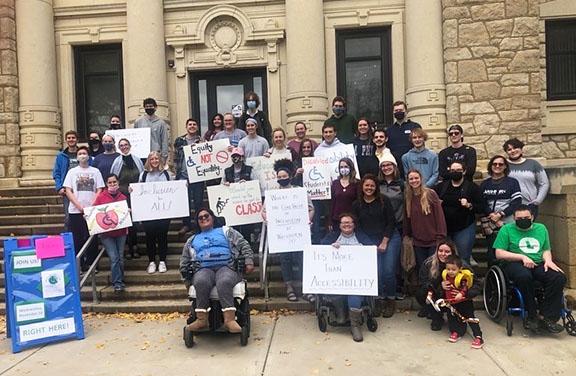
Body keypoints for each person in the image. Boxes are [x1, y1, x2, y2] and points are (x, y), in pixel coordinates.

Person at [180, 208, 254, 333]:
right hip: (203, 268)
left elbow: (244, 245)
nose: (203, 218)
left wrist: (249, 261)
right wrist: (186, 280)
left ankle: (229, 319)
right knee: (201, 281)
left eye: (206, 215)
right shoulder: (192, 240)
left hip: (227, 267)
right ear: (197, 222)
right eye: (200, 217)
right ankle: (201, 319)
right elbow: (184, 260)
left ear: (212, 217)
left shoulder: (226, 231)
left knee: (224, 281)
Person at [494, 205, 567, 333]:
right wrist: (522, 257)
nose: (523, 219)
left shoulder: (541, 228)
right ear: (514, 218)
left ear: (532, 217)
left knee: (558, 277)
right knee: (524, 276)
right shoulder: (506, 229)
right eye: (519, 218)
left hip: (538, 262)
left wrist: (548, 261)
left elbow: (545, 249)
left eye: (526, 217)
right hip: (514, 263)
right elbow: (499, 253)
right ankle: (531, 315)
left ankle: (547, 316)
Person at [263, 159, 315, 302]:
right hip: (282, 234)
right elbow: (264, 211)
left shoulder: (299, 192)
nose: (282, 179)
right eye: (279, 177)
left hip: (298, 232)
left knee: (301, 259)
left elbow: (310, 208)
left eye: (284, 177)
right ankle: (289, 287)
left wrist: (308, 220)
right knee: (285, 259)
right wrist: (268, 219)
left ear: (290, 176)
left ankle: (306, 288)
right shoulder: (272, 194)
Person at [352, 174, 399, 317]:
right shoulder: (356, 204)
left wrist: (384, 241)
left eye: (372, 185)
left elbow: (391, 222)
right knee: (375, 272)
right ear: (362, 187)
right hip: (368, 241)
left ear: (376, 187)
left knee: (388, 271)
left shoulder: (384, 201)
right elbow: (357, 228)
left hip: (389, 238)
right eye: (367, 185)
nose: (369, 188)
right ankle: (377, 300)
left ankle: (390, 299)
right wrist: (370, 245)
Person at [321, 213, 374, 342]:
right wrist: (331, 248)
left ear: (354, 225)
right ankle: (341, 315)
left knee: (355, 292)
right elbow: (320, 250)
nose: (347, 225)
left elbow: (371, 250)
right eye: (344, 223)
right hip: (336, 276)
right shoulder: (333, 237)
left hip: (357, 277)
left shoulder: (361, 237)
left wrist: (361, 249)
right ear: (339, 225)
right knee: (336, 288)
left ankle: (355, 325)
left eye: (349, 222)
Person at [434, 161, 485, 266]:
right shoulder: (441, 187)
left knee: (463, 258)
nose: (455, 172)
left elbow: (482, 207)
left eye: (458, 170)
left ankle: (464, 281)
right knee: (443, 258)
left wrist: (469, 205)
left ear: (464, 171)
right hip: (445, 228)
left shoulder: (472, 187)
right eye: (452, 170)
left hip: (464, 227)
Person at [63, 146, 104, 271]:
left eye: (84, 153)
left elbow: (100, 189)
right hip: (75, 211)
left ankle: (92, 264)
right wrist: (79, 206)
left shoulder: (95, 171)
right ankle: (79, 265)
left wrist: (92, 205)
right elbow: (68, 190)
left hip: (91, 211)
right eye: (80, 153)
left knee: (92, 239)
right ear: (77, 157)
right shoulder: (72, 172)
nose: (82, 155)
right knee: (77, 239)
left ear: (88, 156)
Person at [479, 155, 522, 263]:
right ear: (491, 166)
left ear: (505, 167)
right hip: (490, 222)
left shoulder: (512, 182)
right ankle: (493, 277)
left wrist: (501, 215)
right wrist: (492, 215)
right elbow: (481, 203)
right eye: (494, 164)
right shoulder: (485, 184)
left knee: (508, 250)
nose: (497, 166)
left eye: (500, 164)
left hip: (507, 221)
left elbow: (516, 202)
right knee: (491, 251)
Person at [404, 169, 447, 272]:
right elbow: (407, 219)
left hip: (433, 240)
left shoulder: (430, 194)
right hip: (418, 242)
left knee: (434, 270)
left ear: (421, 179)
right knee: (422, 270)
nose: (414, 181)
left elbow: (439, 216)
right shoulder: (408, 197)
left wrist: (440, 236)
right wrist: (406, 235)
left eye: (416, 178)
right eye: (411, 179)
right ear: (408, 181)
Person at [92, 174, 128, 292]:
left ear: (118, 183)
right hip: (107, 235)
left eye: (114, 182)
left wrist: (128, 212)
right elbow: (94, 212)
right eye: (110, 183)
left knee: (120, 258)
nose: (112, 184)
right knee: (114, 258)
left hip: (121, 232)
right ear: (106, 184)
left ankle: (120, 280)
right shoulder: (101, 197)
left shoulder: (123, 197)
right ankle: (117, 283)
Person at [110, 138, 145, 259]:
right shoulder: (116, 161)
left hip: (136, 196)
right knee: (124, 222)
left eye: (126, 145)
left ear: (130, 146)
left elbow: (142, 175)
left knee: (134, 223)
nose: (124, 147)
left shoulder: (137, 160)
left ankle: (135, 246)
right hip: (122, 196)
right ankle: (126, 247)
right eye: (121, 145)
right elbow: (114, 179)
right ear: (119, 148)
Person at [138, 151, 171, 274]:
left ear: (160, 160)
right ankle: (151, 261)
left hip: (164, 211)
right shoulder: (144, 175)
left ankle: (162, 261)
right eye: (152, 159)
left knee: (163, 236)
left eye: (157, 158)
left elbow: (174, 189)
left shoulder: (167, 174)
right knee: (150, 237)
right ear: (149, 161)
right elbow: (139, 191)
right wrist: (133, 190)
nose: (155, 161)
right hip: (148, 213)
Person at [440, 255, 483, 348]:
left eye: (453, 269)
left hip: (464, 302)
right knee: (452, 318)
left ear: (459, 269)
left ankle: (478, 336)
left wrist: (462, 294)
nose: (450, 271)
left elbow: (465, 287)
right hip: (451, 303)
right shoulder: (445, 276)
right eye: (448, 269)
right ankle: (456, 332)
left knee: (470, 318)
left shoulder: (462, 278)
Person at [378, 155, 405, 299]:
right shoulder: (378, 184)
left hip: (398, 225)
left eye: (389, 165)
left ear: (394, 167)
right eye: (383, 165)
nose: (386, 168)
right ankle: (382, 291)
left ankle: (397, 289)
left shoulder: (401, 184)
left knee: (394, 262)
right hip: (382, 225)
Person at [417, 240, 458, 331]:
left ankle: (455, 316)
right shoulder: (428, 263)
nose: (443, 254)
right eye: (440, 251)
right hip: (435, 293)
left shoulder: (460, 264)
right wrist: (439, 286)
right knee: (423, 292)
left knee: (456, 328)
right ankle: (435, 317)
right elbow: (423, 282)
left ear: (453, 253)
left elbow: (473, 283)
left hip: (454, 294)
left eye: (447, 252)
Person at [503, 138, 550, 218]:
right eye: (509, 149)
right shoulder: (503, 165)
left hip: (529, 205)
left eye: (515, 148)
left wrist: (538, 200)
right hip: (509, 206)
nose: (513, 151)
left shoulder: (533, 164)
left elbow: (544, 183)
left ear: (521, 149)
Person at [174, 118, 204, 235]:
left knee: (198, 202)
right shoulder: (179, 141)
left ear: (197, 127)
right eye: (190, 124)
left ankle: (197, 225)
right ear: (186, 127)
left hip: (198, 177)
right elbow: (175, 157)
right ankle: (186, 224)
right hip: (183, 175)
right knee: (184, 202)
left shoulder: (202, 141)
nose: (192, 126)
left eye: (194, 124)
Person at [52, 130, 80, 230]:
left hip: (82, 188)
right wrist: (59, 187)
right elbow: (57, 173)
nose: (71, 140)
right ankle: (70, 240)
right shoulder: (60, 156)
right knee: (68, 217)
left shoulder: (82, 153)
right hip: (67, 190)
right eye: (69, 138)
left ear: (77, 139)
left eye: (73, 138)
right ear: (66, 140)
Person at [386, 100, 421, 177]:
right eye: (396, 110)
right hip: (395, 167)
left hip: (412, 164)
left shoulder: (415, 126)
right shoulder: (389, 130)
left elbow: (420, 144)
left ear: (406, 111)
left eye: (401, 110)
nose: (398, 112)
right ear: (393, 112)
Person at [134, 97, 170, 163]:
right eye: (146, 106)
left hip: (156, 155)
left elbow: (164, 140)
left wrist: (164, 157)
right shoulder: (138, 121)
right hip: (142, 156)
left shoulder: (161, 123)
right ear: (144, 108)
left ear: (155, 107)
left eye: (151, 106)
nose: (149, 108)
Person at [330, 158, 359, 230]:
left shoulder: (357, 183)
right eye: (341, 167)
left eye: (346, 167)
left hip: (351, 220)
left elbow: (359, 202)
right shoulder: (335, 183)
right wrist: (330, 221)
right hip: (337, 220)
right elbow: (332, 202)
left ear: (351, 168)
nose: (343, 169)